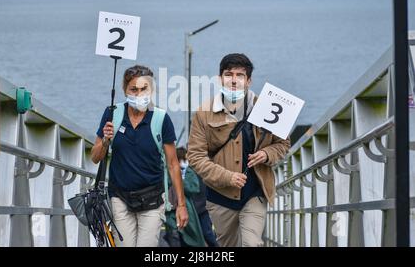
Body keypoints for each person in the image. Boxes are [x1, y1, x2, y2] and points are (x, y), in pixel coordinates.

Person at [187, 53, 291, 247]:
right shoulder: (203, 112)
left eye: (240, 75)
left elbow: (283, 144)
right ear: (220, 79)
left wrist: (267, 154)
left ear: (249, 80)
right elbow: (195, 156)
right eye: (228, 74)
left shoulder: (268, 106)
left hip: (255, 192)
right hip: (220, 196)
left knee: (252, 243)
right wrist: (227, 176)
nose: (233, 80)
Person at [91, 65, 188, 247]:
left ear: (151, 89)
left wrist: (181, 205)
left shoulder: (161, 119)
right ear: (124, 90)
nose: (138, 94)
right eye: (133, 89)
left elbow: (173, 164)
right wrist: (105, 140)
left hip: (153, 199)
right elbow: (95, 157)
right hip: (119, 198)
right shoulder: (112, 113)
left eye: (144, 89)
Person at [177, 147, 219, 247]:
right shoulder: (176, 173)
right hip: (188, 209)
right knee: (186, 238)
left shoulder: (196, 169)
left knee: (207, 234)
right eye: (183, 159)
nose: (185, 161)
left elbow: (197, 188)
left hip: (201, 208)